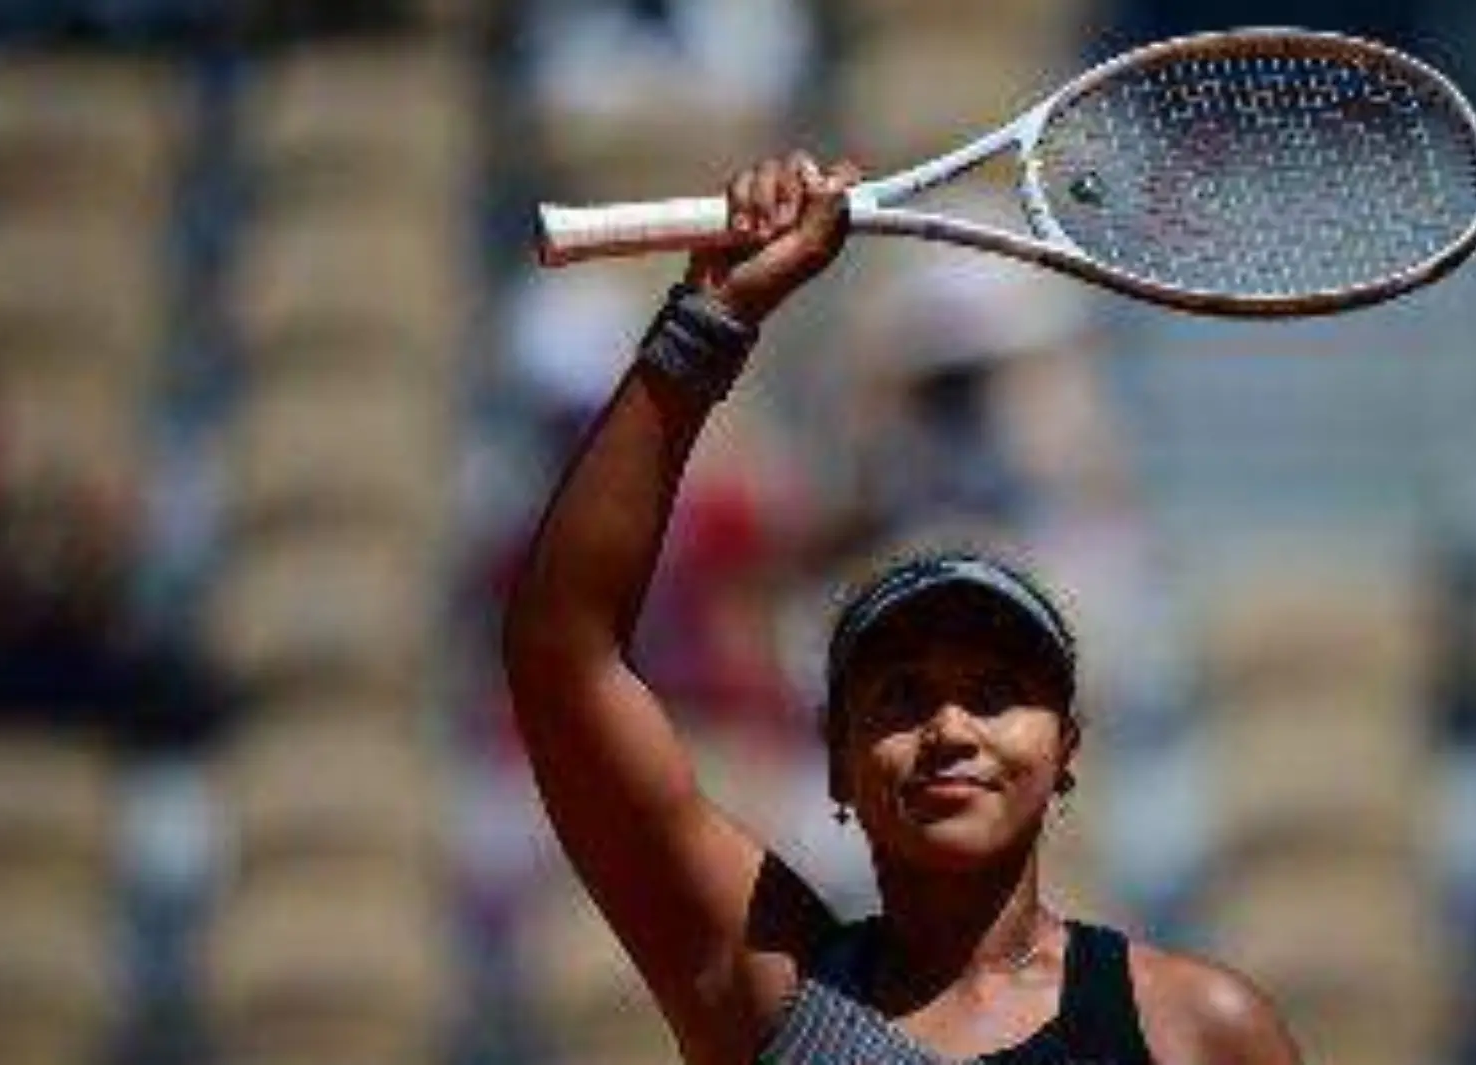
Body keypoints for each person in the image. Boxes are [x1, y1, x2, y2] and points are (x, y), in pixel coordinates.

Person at [501, 151, 1302, 1064]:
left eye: (998, 691)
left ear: (1067, 750)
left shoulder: (1198, 1029)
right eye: (902, 696)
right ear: (837, 761)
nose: (950, 727)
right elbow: (562, 656)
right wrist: (712, 319)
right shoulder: (770, 990)